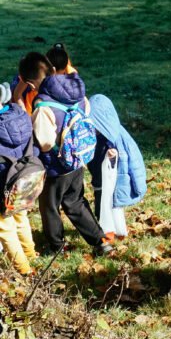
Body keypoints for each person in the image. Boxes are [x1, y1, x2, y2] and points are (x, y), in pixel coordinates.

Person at [32, 61, 112, 256]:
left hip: (55, 168)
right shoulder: (76, 96)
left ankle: (56, 247)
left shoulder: (43, 106)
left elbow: (45, 143)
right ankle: (100, 241)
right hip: (77, 160)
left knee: (50, 207)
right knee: (76, 202)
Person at [86, 94, 147, 241]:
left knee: (107, 207)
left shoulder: (112, 138)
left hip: (109, 182)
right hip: (98, 179)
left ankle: (108, 232)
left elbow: (127, 160)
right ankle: (112, 229)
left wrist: (113, 156)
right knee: (104, 206)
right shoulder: (95, 136)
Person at [0, 82, 41, 275]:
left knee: (5, 228)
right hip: (23, 182)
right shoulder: (19, 114)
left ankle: (23, 269)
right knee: (21, 218)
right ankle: (31, 254)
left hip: (3, 186)